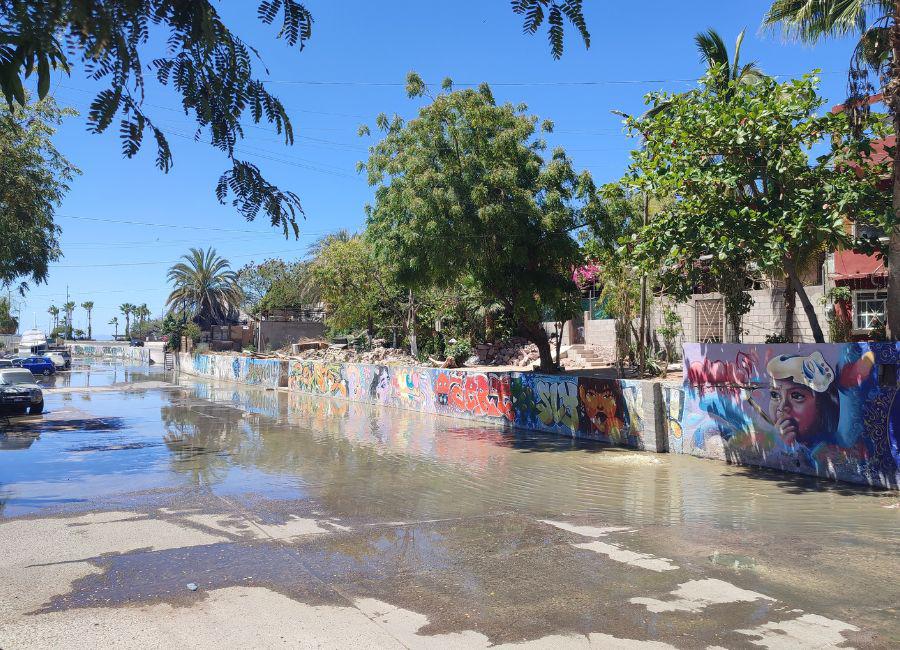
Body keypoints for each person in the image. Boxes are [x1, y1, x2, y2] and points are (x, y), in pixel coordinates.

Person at [765, 351, 840, 447]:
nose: (782, 407)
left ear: (820, 403)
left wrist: (784, 448)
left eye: (796, 396)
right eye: (775, 395)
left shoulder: (829, 448)